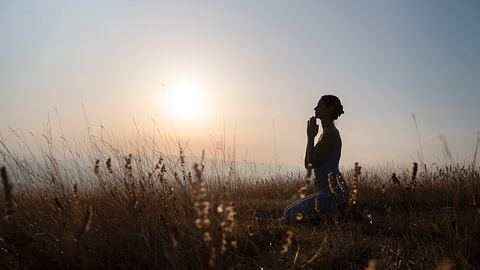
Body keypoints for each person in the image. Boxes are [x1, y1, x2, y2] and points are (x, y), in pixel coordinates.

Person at [283, 95, 349, 222]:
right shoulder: (324, 134)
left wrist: (310, 137)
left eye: (319, 105)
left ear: (329, 109)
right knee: (287, 212)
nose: (315, 108)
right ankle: (335, 214)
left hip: (333, 193)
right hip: (326, 191)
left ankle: (336, 216)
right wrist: (311, 136)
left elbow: (311, 164)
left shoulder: (330, 134)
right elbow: (308, 164)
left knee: (290, 214)